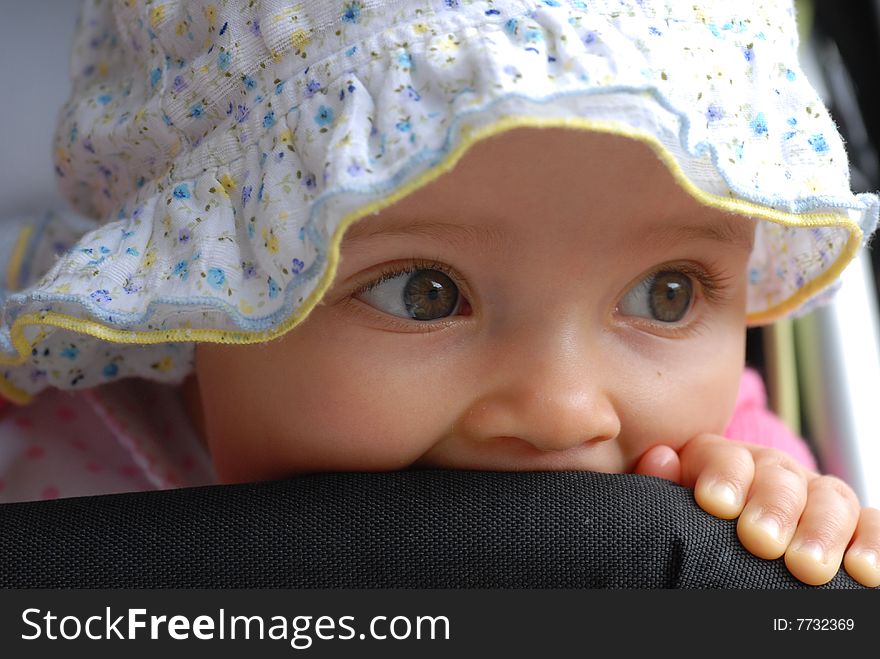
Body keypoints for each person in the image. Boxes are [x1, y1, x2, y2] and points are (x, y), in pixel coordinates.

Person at [0, 0, 878, 588]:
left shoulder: (724, 465)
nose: (563, 410)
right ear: (197, 282)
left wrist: (794, 520)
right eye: (424, 293)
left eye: (668, 293)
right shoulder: (36, 445)